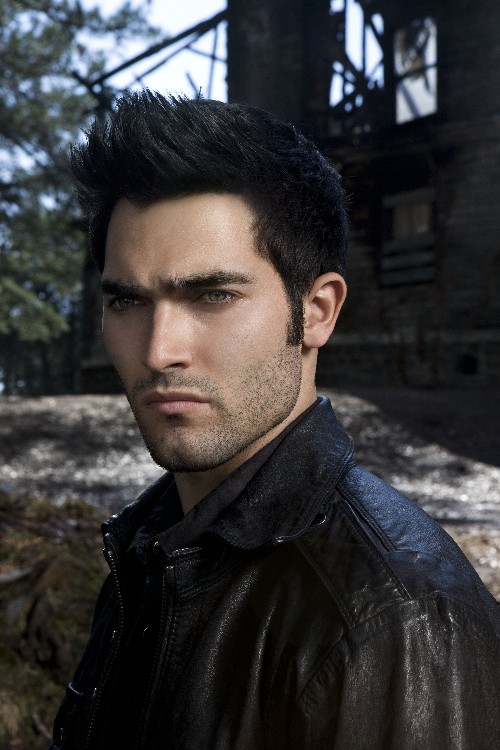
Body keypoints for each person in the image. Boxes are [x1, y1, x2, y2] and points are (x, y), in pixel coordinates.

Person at [51, 91, 499, 750]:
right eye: (127, 301)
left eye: (213, 295)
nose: (158, 350)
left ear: (316, 311)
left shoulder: (400, 620)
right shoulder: (148, 549)